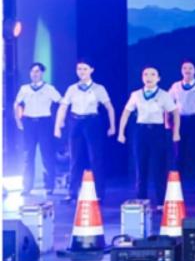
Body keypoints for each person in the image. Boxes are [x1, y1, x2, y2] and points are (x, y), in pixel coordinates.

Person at [55, 58, 116, 202]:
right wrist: (58, 125)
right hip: (75, 121)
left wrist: (112, 126)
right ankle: (72, 192)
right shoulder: (72, 88)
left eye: (85, 69)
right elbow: (63, 107)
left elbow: (109, 108)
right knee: (74, 158)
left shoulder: (98, 88)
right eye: (79, 69)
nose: (81, 72)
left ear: (91, 70)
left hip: (92, 121)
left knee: (95, 158)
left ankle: (99, 193)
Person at [118, 66, 180, 208]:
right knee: (140, 167)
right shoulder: (136, 95)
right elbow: (126, 112)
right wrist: (121, 132)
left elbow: (175, 113)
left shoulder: (164, 95)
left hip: (157, 132)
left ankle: (161, 202)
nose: (149, 77)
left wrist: (176, 132)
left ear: (158, 78)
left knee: (159, 168)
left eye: (152, 74)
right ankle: (141, 201)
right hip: (141, 132)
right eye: (146, 74)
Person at [14, 63, 61, 195]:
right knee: (28, 155)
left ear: (42, 73)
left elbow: (62, 102)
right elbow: (16, 103)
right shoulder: (24, 89)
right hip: (29, 122)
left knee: (47, 154)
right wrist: (18, 119)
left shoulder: (49, 89)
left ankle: (49, 185)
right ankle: (27, 186)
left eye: (37, 71)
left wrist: (60, 121)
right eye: (32, 71)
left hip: (44, 122)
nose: (34, 74)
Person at [168, 59, 195, 192]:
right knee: (178, 154)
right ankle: (177, 184)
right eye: (185, 68)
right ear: (181, 71)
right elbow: (167, 103)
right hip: (180, 121)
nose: (187, 70)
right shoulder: (176, 86)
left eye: (190, 68)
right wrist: (167, 122)